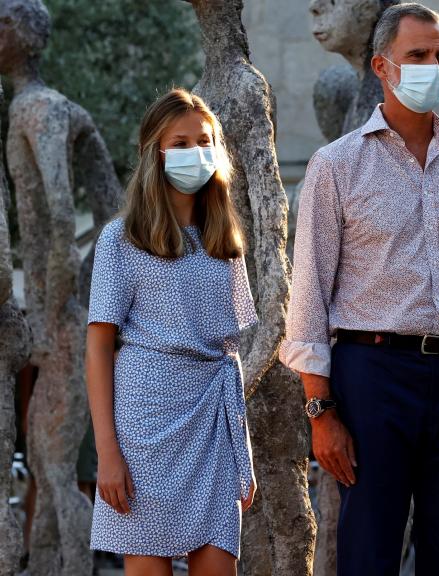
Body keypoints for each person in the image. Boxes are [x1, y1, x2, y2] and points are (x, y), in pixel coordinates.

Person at [279, 4, 439, 575]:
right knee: (369, 549)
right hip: (372, 374)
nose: (433, 67)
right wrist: (320, 410)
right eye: (418, 56)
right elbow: (309, 288)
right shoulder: (335, 165)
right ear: (382, 67)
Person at [86, 89, 258, 575]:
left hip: (213, 425)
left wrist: (240, 447)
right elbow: (98, 346)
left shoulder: (225, 239)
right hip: (144, 429)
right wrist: (108, 453)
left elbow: (232, 347)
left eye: (204, 141)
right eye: (179, 143)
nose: (194, 152)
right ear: (153, 153)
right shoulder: (121, 239)